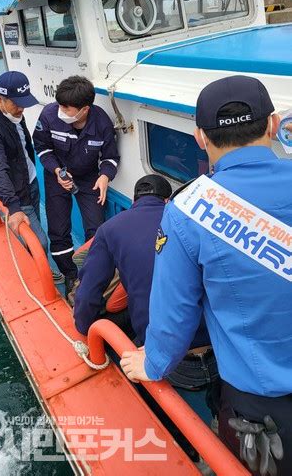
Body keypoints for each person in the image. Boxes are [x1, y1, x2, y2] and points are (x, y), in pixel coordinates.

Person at [121, 75, 292, 475]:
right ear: (272, 125)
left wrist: (153, 364)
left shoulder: (187, 211)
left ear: (199, 137)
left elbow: (175, 312)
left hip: (261, 405)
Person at [74, 174, 216, 392]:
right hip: (218, 352)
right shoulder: (194, 222)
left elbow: (87, 293)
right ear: (168, 200)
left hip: (163, 358)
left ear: (133, 202)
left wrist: (85, 329)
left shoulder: (110, 229)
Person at [33, 75, 120, 295]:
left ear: (84, 109)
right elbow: (42, 148)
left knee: (95, 229)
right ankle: (70, 276)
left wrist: (105, 176)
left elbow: (110, 157)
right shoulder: (49, 115)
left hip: (89, 177)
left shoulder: (102, 123)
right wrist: (56, 171)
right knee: (59, 230)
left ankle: (94, 276)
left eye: (66, 107)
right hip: (57, 175)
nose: (60, 110)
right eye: (59, 105)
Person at [0, 71, 48, 253]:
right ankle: (37, 274)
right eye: (17, 104)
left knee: (35, 224)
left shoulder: (12, 114)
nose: (22, 109)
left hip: (29, 181)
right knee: (39, 242)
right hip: (14, 192)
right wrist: (13, 207)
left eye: (25, 103)